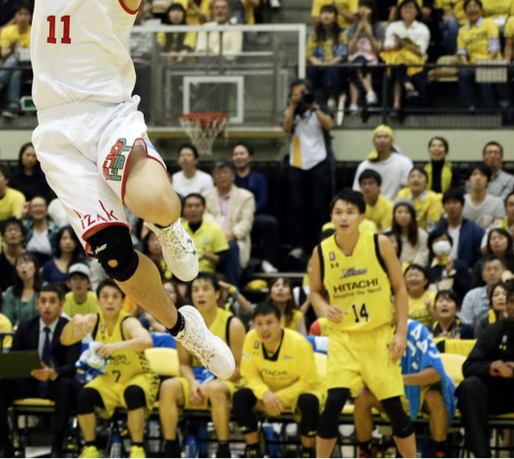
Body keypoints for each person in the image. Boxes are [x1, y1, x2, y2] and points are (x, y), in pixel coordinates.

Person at [0, 0, 236, 370]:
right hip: (56, 133)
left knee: (153, 199)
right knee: (113, 255)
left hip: (108, 116)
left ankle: (171, 226)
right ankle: (184, 328)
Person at [309, 189, 415, 458]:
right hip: (344, 338)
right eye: (338, 212)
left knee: (393, 407)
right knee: (332, 403)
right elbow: (315, 292)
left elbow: (400, 289)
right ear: (331, 216)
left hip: (378, 336)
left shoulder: (380, 244)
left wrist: (401, 333)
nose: (344, 218)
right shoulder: (321, 251)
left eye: (350, 212)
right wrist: (323, 307)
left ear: (361, 216)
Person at [61, 280, 156, 459]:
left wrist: (116, 347)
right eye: (105, 297)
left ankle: (137, 447)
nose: (110, 301)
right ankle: (91, 448)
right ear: (98, 302)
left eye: (115, 297)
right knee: (84, 395)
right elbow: (65, 340)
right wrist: (75, 321)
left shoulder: (128, 322)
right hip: (109, 380)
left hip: (138, 377)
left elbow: (147, 341)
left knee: (133, 393)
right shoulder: (93, 320)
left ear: (122, 302)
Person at [158, 272, 246, 458]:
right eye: (196, 290)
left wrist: (209, 383)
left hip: (226, 379)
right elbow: (183, 364)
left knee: (215, 389)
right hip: (196, 380)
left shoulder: (233, 323)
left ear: (218, 294)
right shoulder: (182, 323)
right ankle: (171, 448)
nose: (200, 294)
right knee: (167, 387)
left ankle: (224, 450)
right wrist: (193, 383)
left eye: (206, 289)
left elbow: (239, 368)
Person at [0, 283, 80, 457]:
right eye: (43, 301)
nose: (47, 306)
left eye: (52, 301)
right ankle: (4, 444)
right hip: (28, 382)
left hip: (55, 383)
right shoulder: (25, 326)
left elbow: (72, 365)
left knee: (67, 384)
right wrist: (1, 369)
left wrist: (53, 373)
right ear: (37, 304)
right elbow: (14, 358)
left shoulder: (70, 328)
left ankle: (57, 445)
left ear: (61, 304)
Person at [353, 318, 455, 459]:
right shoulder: (370, 332)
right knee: (362, 396)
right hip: (387, 391)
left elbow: (437, 373)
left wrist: (400, 380)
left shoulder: (417, 330)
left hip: (419, 390)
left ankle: (440, 451)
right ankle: (364, 451)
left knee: (435, 396)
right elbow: (360, 375)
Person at [233, 302, 322, 458]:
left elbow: (309, 380)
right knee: (240, 397)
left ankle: (308, 452)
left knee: (309, 401)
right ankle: (254, 450)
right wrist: (265, 393)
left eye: (269, 322)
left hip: (297, 393)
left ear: (280, 323)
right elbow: (248, 374)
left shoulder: (299, 343)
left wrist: (278, 398)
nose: (264, 329)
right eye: (259, 324)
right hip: (267, 395)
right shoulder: (250, 338)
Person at [456, 281, 514, 459]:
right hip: (499, 394)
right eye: (511, 302)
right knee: (469, 386)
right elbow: (469, 366)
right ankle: (482, 455)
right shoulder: (495, 329)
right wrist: (492, 366)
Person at [283, 78, 334, 249]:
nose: (300, 96)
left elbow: (329, 125)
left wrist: (313, 106)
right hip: (297, 162)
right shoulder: (291, 111)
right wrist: (292, 105)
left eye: (302, 92)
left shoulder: (320, 108)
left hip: (319, 161)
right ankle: (300, 245)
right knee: (297, 206)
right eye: (296, 93)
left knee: (319, 205)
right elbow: (286, 128)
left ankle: (322, 242)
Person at [201, 161, 255, 287]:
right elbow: (205, 217)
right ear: (213, 178)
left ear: (233, 176)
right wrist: (219, 234)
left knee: (230, 247)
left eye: (225, 173)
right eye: (218, 174)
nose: (222, 177)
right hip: (211, 237)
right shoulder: (205, 196)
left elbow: (246, 222)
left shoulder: (246, 196)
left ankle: (232, 290)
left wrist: (233, 234)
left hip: (235, 239)